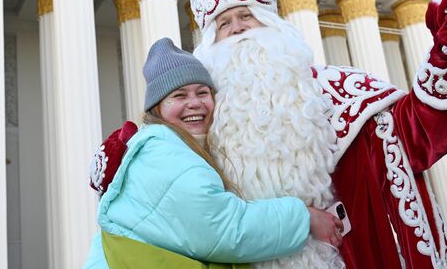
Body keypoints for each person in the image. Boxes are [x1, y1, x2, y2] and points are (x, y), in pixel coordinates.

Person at [190, 0, 447, 269]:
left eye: (246, 15)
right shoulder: (205, 121)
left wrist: (446, 57)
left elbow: (414, 133)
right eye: (224, 23)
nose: (238, 29)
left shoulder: (336, 90)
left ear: (271, 23)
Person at [83, 37, 343, 268]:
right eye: (179, 95)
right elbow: (225, 229)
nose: (194, 103)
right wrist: (303, 217)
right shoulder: (165, 153)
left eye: (202, 92)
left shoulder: (170, 148)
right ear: (158, 109)